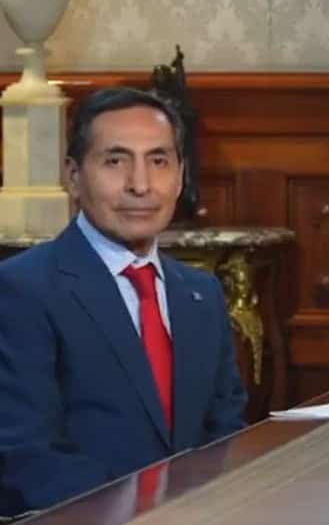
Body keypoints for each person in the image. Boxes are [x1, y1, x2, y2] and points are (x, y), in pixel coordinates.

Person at [0, 88, 246, 516]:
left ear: (180, 176)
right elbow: (26, 457)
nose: (140, 184)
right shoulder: (23, 289)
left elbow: (224, 437)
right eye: (116, 161)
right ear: (74, 177)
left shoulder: (201, 294)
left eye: (159, 161)